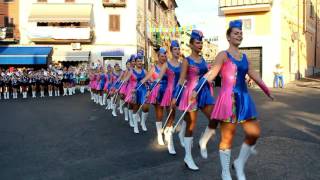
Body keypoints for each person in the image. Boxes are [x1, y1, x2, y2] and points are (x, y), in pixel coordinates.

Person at [192, 20, 274, 180]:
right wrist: (196, 89)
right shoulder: (223, 55)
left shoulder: (244, 57)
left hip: (244, 98)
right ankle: (225, 172)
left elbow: (254, 74)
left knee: (254, 133)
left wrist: (266, 89)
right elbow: (211, 74)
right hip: (228, 99)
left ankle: (239, 163)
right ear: (228, 37)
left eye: (241, 33)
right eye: (236, 33)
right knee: (227, 137)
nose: (239, 35)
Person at [173, 30, 218, 170]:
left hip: (203, 92)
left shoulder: (203, 59)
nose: (200, 45)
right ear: (191, 45)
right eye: (198, 43)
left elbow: (207, 75)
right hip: (190, 94)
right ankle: (188, 157)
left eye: (201, 42)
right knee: (191, 125)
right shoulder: (187, 61)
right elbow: (181, 79)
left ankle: (203, 141)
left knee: (214, 118)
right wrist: (175, 96)